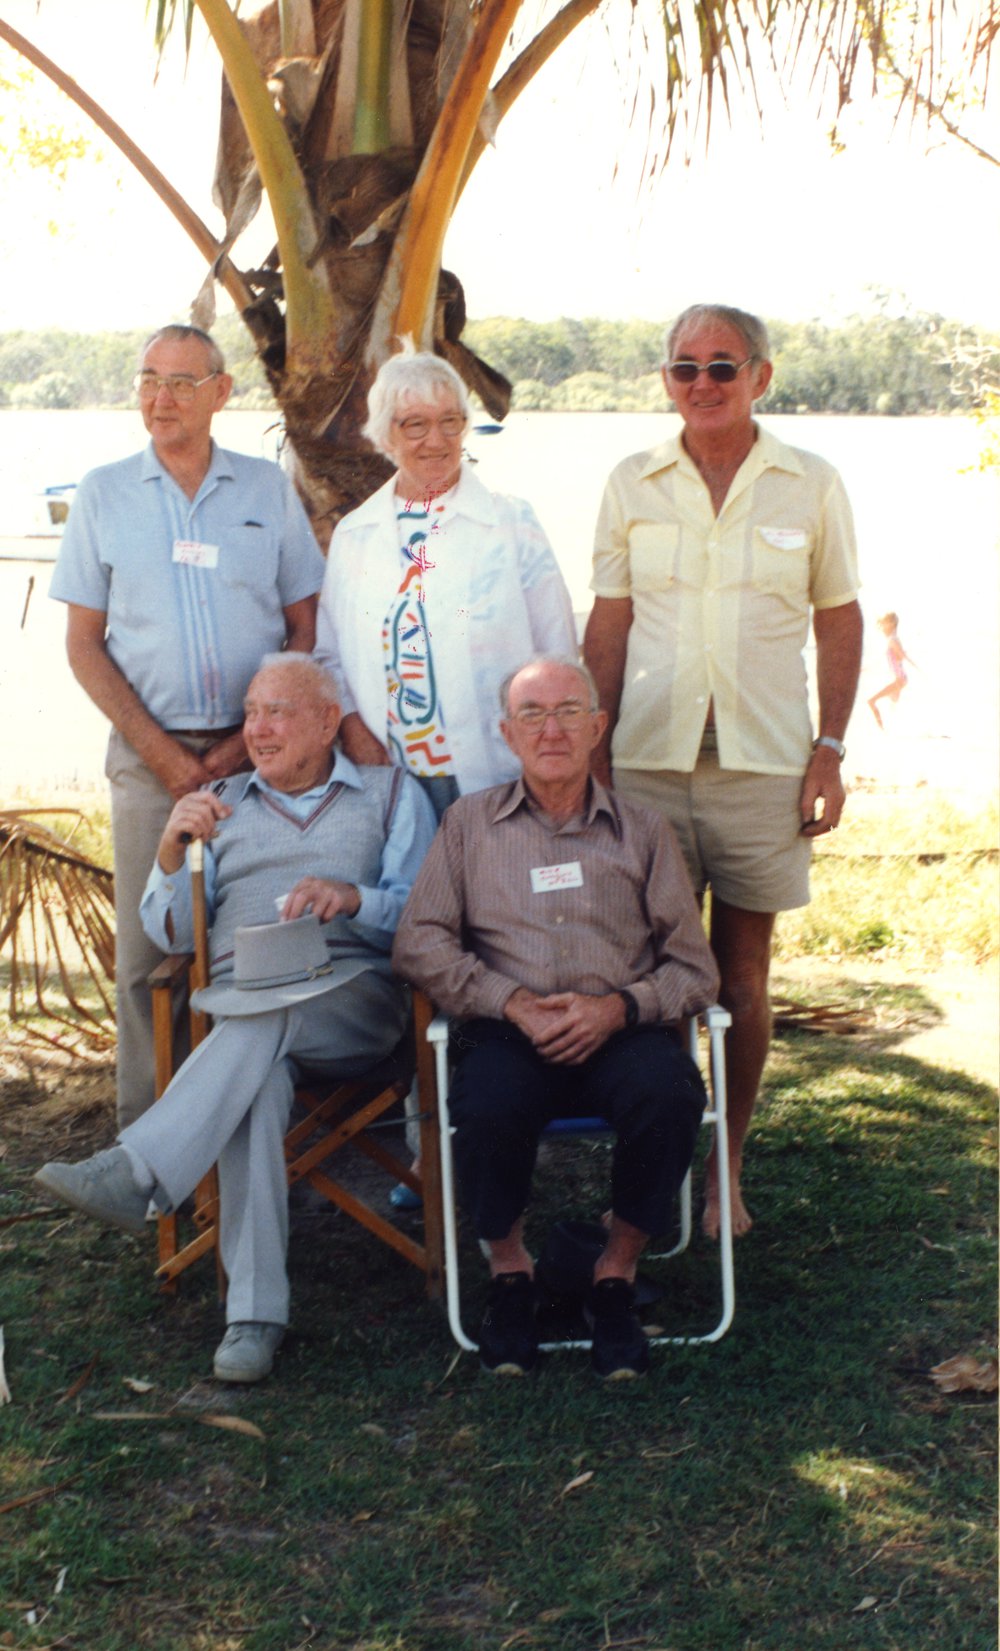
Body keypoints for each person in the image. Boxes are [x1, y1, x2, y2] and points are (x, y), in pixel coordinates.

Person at [34, 655, 437, 1385]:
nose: (257, 727)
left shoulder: (389, 794)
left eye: (277, 710)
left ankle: (139, 1166)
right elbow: (173, 937)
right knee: (256, 1074)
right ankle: (253, 1318)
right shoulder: (220, 803)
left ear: (325, 720)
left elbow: (429, 917)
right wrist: (169, 850)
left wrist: (354, 898)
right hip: (246, 1008)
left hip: (355, 1006)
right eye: (251, 711)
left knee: (253, 1030)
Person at [583, 303, 862, 1242]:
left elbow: (839, 619)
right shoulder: (632, 481)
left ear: (761, 377)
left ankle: (724, 1171)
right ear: (665, 379)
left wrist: (829, 748)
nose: (703, 384)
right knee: (658, 977)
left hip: (765, 765)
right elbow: (610, 622)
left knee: (742, 976)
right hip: (647, 767)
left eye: (722, 367)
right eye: (684, 368)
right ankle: (654, 1168)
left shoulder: (810, 483)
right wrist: (591, 751)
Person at [392, 657, 720, 1380]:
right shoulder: (467, 825)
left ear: (597, 726)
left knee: (669, 1093)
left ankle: (615, 1273)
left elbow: (696, 969)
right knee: (486, 1102)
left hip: (620, 1031)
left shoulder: (644, 830)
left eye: (569, 710)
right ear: (508, 733)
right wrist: (507, 1000)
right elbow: (419, 939)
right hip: (512, 1030)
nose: (551, 729)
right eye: (532, 714)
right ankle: (512, 1273)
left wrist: (617, 1007)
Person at [49, 324, 325, 1128]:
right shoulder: (103, 492)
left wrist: (249, 744)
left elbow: (305, 629)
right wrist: (165, 757)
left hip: (264, 757)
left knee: (258, 944)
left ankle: (255, 1131)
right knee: (146, 958)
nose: (159, 398)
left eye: (179, 382)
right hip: (147, 758)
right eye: (146, 380)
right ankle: (150, 1151)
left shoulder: (266, 489)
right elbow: (82, 645)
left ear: (221, 391)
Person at [315, 340, 576, 822]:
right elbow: (330, 654)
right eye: (414, 424)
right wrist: (356, 734)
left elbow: (557, 650)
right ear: (384, 435)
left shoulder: (511, 523)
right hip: (390, 777)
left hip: (498, 772)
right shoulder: (354, 534)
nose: (435, 440)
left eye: (450, 421)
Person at [868, 611, 916, 729]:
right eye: (882, 624)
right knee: (892, 708)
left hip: (900, 680)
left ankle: (883, 732)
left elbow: (901, 656)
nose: (883, 627)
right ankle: (896, 730)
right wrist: (864, 669)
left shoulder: (892, 640)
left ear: (892, 625)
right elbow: (896, 658)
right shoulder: (892, 639)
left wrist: (915, 665)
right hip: (900, 679)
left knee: (871, 701)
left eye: (885, 624)